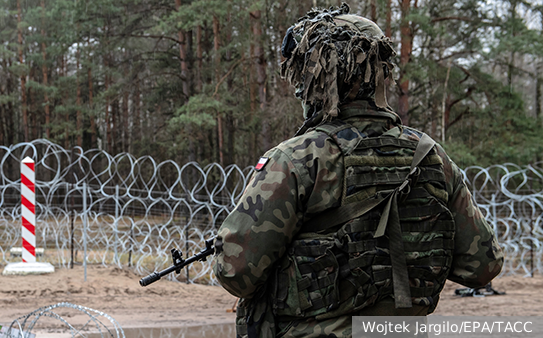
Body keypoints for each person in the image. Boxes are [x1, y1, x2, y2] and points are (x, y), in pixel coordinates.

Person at [213, 4, 504, 338]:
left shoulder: (296, 159)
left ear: (314, 76)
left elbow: (235, 272)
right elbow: (482, 267)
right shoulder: (431, 156)